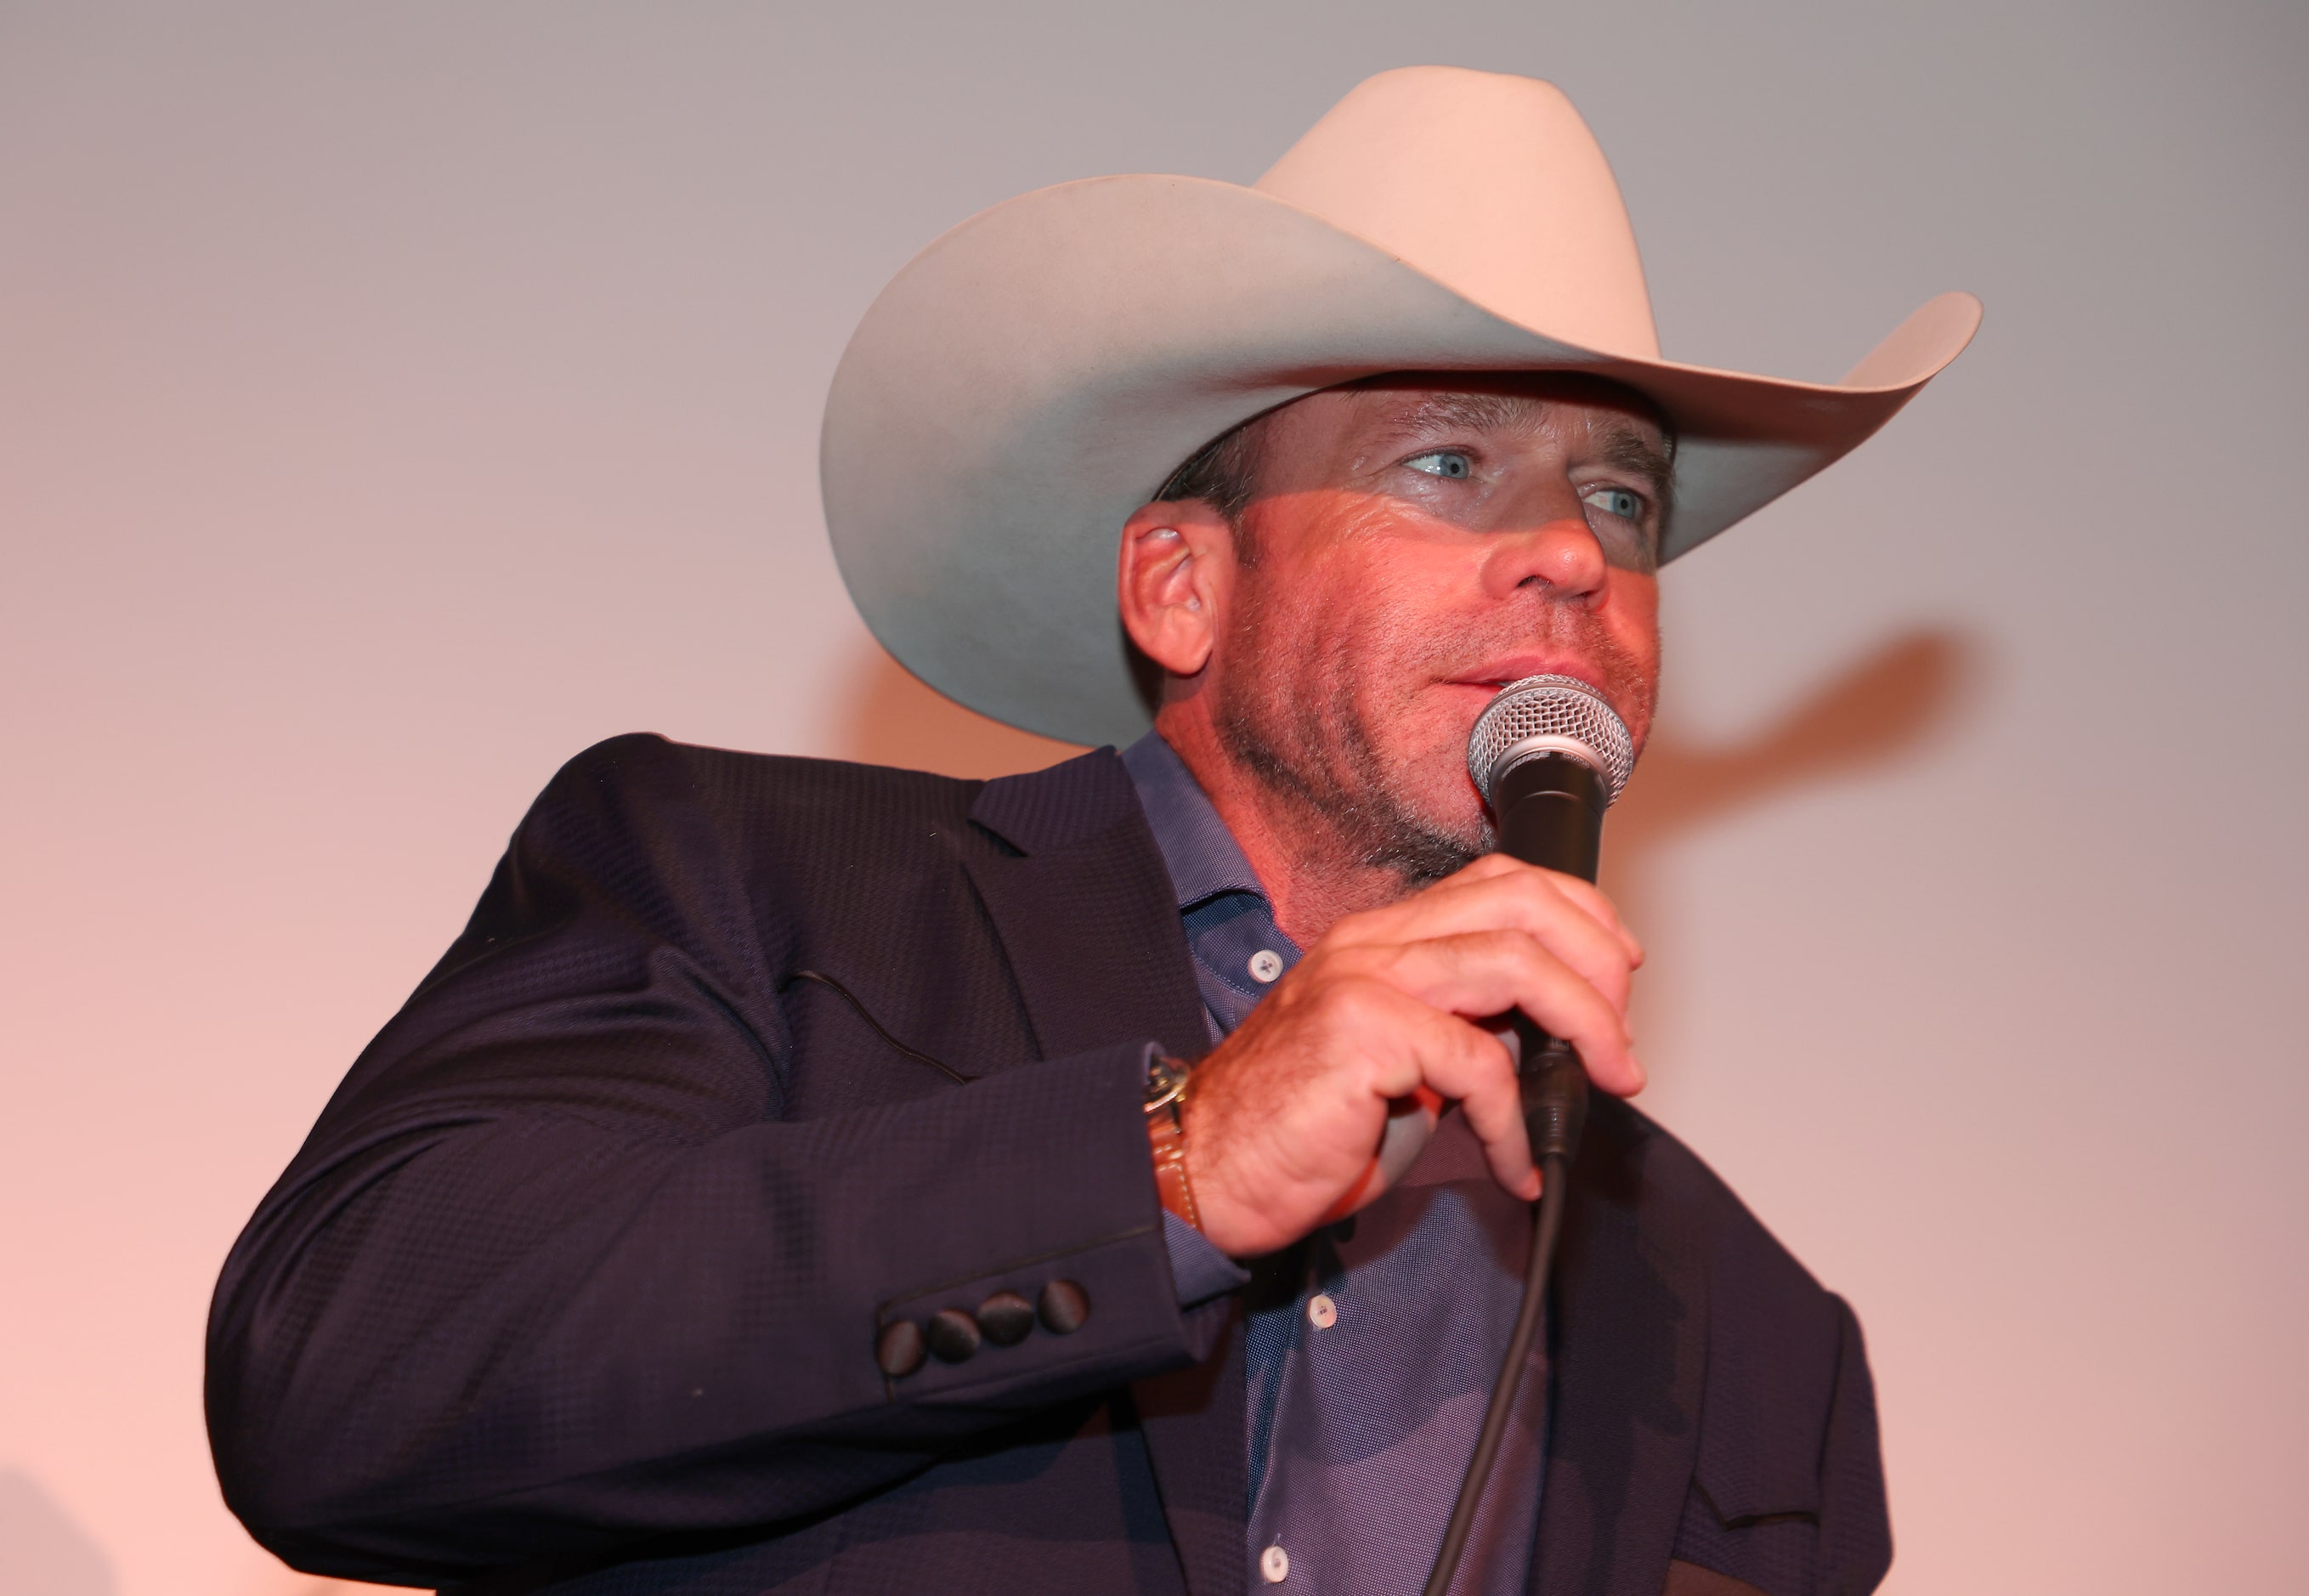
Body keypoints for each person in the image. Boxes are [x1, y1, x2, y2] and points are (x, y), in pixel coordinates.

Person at [207, 66, 1977, 1596]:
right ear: (1181, 585)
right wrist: (1172, 1168)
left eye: (1622, 499)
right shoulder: (746, 883)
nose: (1577, 554)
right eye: (1451, 464)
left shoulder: (1755, 1335)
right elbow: (343, 1384)